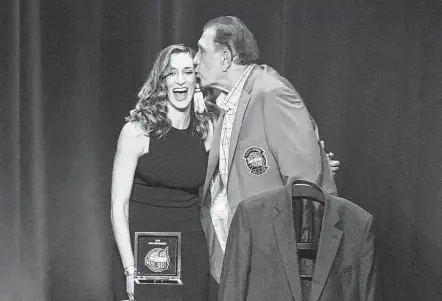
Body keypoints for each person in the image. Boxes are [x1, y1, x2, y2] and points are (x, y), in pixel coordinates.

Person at [192, 16, 339, 299]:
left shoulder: (271, 92)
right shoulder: (229, 105)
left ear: (225, 57)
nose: (195, 60)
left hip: (274, 264)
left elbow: (306, 186)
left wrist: (291, 269)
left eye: (201, 50)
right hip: (242, 260)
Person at [110, 44, 218, 301]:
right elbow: (118, 206)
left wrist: (319, 162)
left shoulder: (208, 131)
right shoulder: (138, 131)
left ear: (197, 78)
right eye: (172, 73)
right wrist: (129, 268)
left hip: (191, 254)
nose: (180, 80)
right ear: (161, 81)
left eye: (188, 71)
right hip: (143, 254)